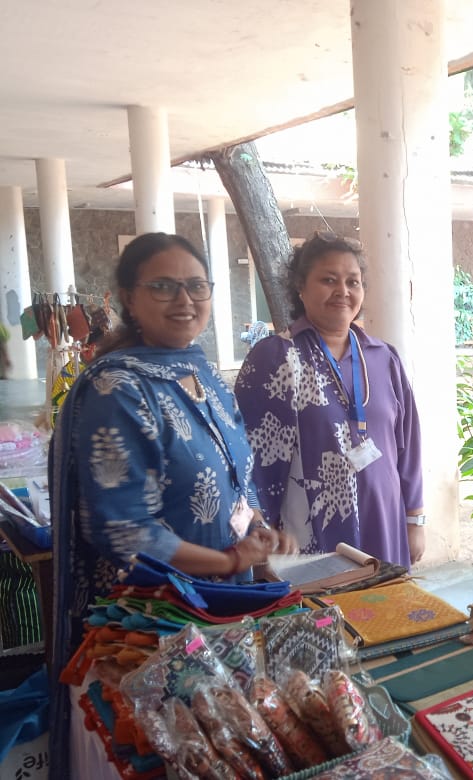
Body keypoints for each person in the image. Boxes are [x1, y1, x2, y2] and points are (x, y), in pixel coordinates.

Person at [49, 232, 295, 775]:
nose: (184, 300)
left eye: (195, 286)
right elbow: (127, 534)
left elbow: (237, 475)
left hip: (220, 607)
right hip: (152, 625)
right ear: (127, 300)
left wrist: (259, 526)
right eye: (163, 287)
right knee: (180, 754)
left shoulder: (200, 370)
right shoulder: (118, 388)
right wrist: (232, 561)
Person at [235, 231, 426, 568]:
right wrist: (262, 530)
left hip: (384, 522)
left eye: (353, 281)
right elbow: (252, 458)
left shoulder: (383, 357)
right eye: (328, 280)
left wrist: (415, 520)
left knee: (388, 614)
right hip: (312, 527)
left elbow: (407, 444)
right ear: (300, 287)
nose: (343, 291)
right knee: (327, 618)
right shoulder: (275, 358)